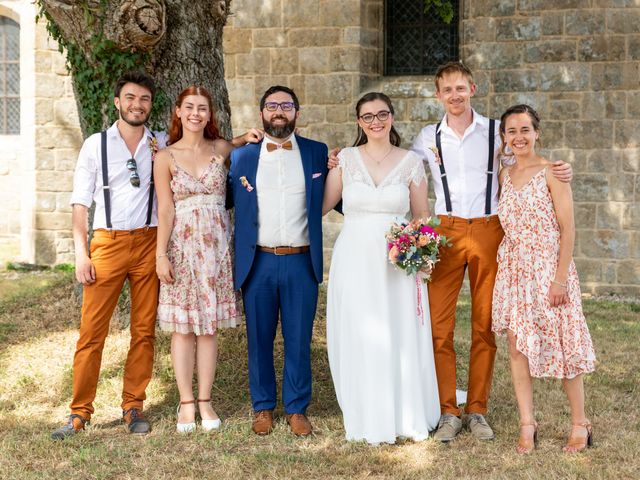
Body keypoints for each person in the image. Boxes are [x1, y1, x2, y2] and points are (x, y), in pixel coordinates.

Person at [411, 61, 573, 442]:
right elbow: (403, 169)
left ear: (473, 89)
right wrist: (341, 159)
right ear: (438, 95)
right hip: (446, 231)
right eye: (447, 90)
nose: (454, 95)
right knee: (439, 327)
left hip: (489, 230)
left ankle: (478, 409)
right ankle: (449, 409)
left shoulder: (494, 134)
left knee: (485, 325)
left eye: (461, 88)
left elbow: (526, 159)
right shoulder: (426, 136)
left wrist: (559, 167)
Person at [52, 71, 167, 439]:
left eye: (144, 99)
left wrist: (243, 139)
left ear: (151, 105)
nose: (138, 104)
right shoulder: (95, 144)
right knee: (91, 332)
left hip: (149, 242)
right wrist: (81, 254)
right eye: (131, 98)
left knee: (144, 330)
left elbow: (206, 148)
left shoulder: (161, 142)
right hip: (107, 242)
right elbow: (80, 204)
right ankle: (79, 412)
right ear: (118, 102)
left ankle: (133, 406)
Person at [322, 92, 440, 444]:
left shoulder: (411, 162)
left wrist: (420, 254)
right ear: (358, 122)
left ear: (391, 117)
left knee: (397, 328)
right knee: (359, 328)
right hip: (354, 256)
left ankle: (403, 409)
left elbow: (420, 218)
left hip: (397, 261)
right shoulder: (344, 159)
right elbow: (322, 205)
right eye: (367, 116)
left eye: (382, 114)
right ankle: (364, 406)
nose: (375, 121)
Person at [154, 86, 261, 433]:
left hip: (216, 249)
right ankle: (185, 402)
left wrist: (247, 136)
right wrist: (161, 254)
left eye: (202, 108)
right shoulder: (165, 157)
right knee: (183, 330)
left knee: (209, 328)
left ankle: (205, 400)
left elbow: (243, 142)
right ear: (178, 112)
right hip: (182, 248)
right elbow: (165, 209)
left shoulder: (221, 149)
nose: (196, 113)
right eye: (190, 107)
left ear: (209, 114)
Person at [492, 104, 595, 454]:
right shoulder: (504, 175)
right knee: (517, 347)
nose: (518, 137)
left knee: (564, 345)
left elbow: (568, 229)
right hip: (514, 271)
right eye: (511, 131)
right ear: (504, 137)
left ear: (537, 133)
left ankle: (580, 424)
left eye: (525, 130)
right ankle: (527, 424)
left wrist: (560, 279)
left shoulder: (553, 172)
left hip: (550, 268)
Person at [227, 86, 328, 436]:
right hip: (259, 262)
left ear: (297, 112)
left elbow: (341, 192)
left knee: (299, 337)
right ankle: (263, 406)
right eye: (272, 106)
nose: (279, 112)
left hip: (301, 260)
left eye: (286, 105)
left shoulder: (317, 153)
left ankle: (297, 407)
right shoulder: (242, 158)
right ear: (262, 114)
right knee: (259, 338)